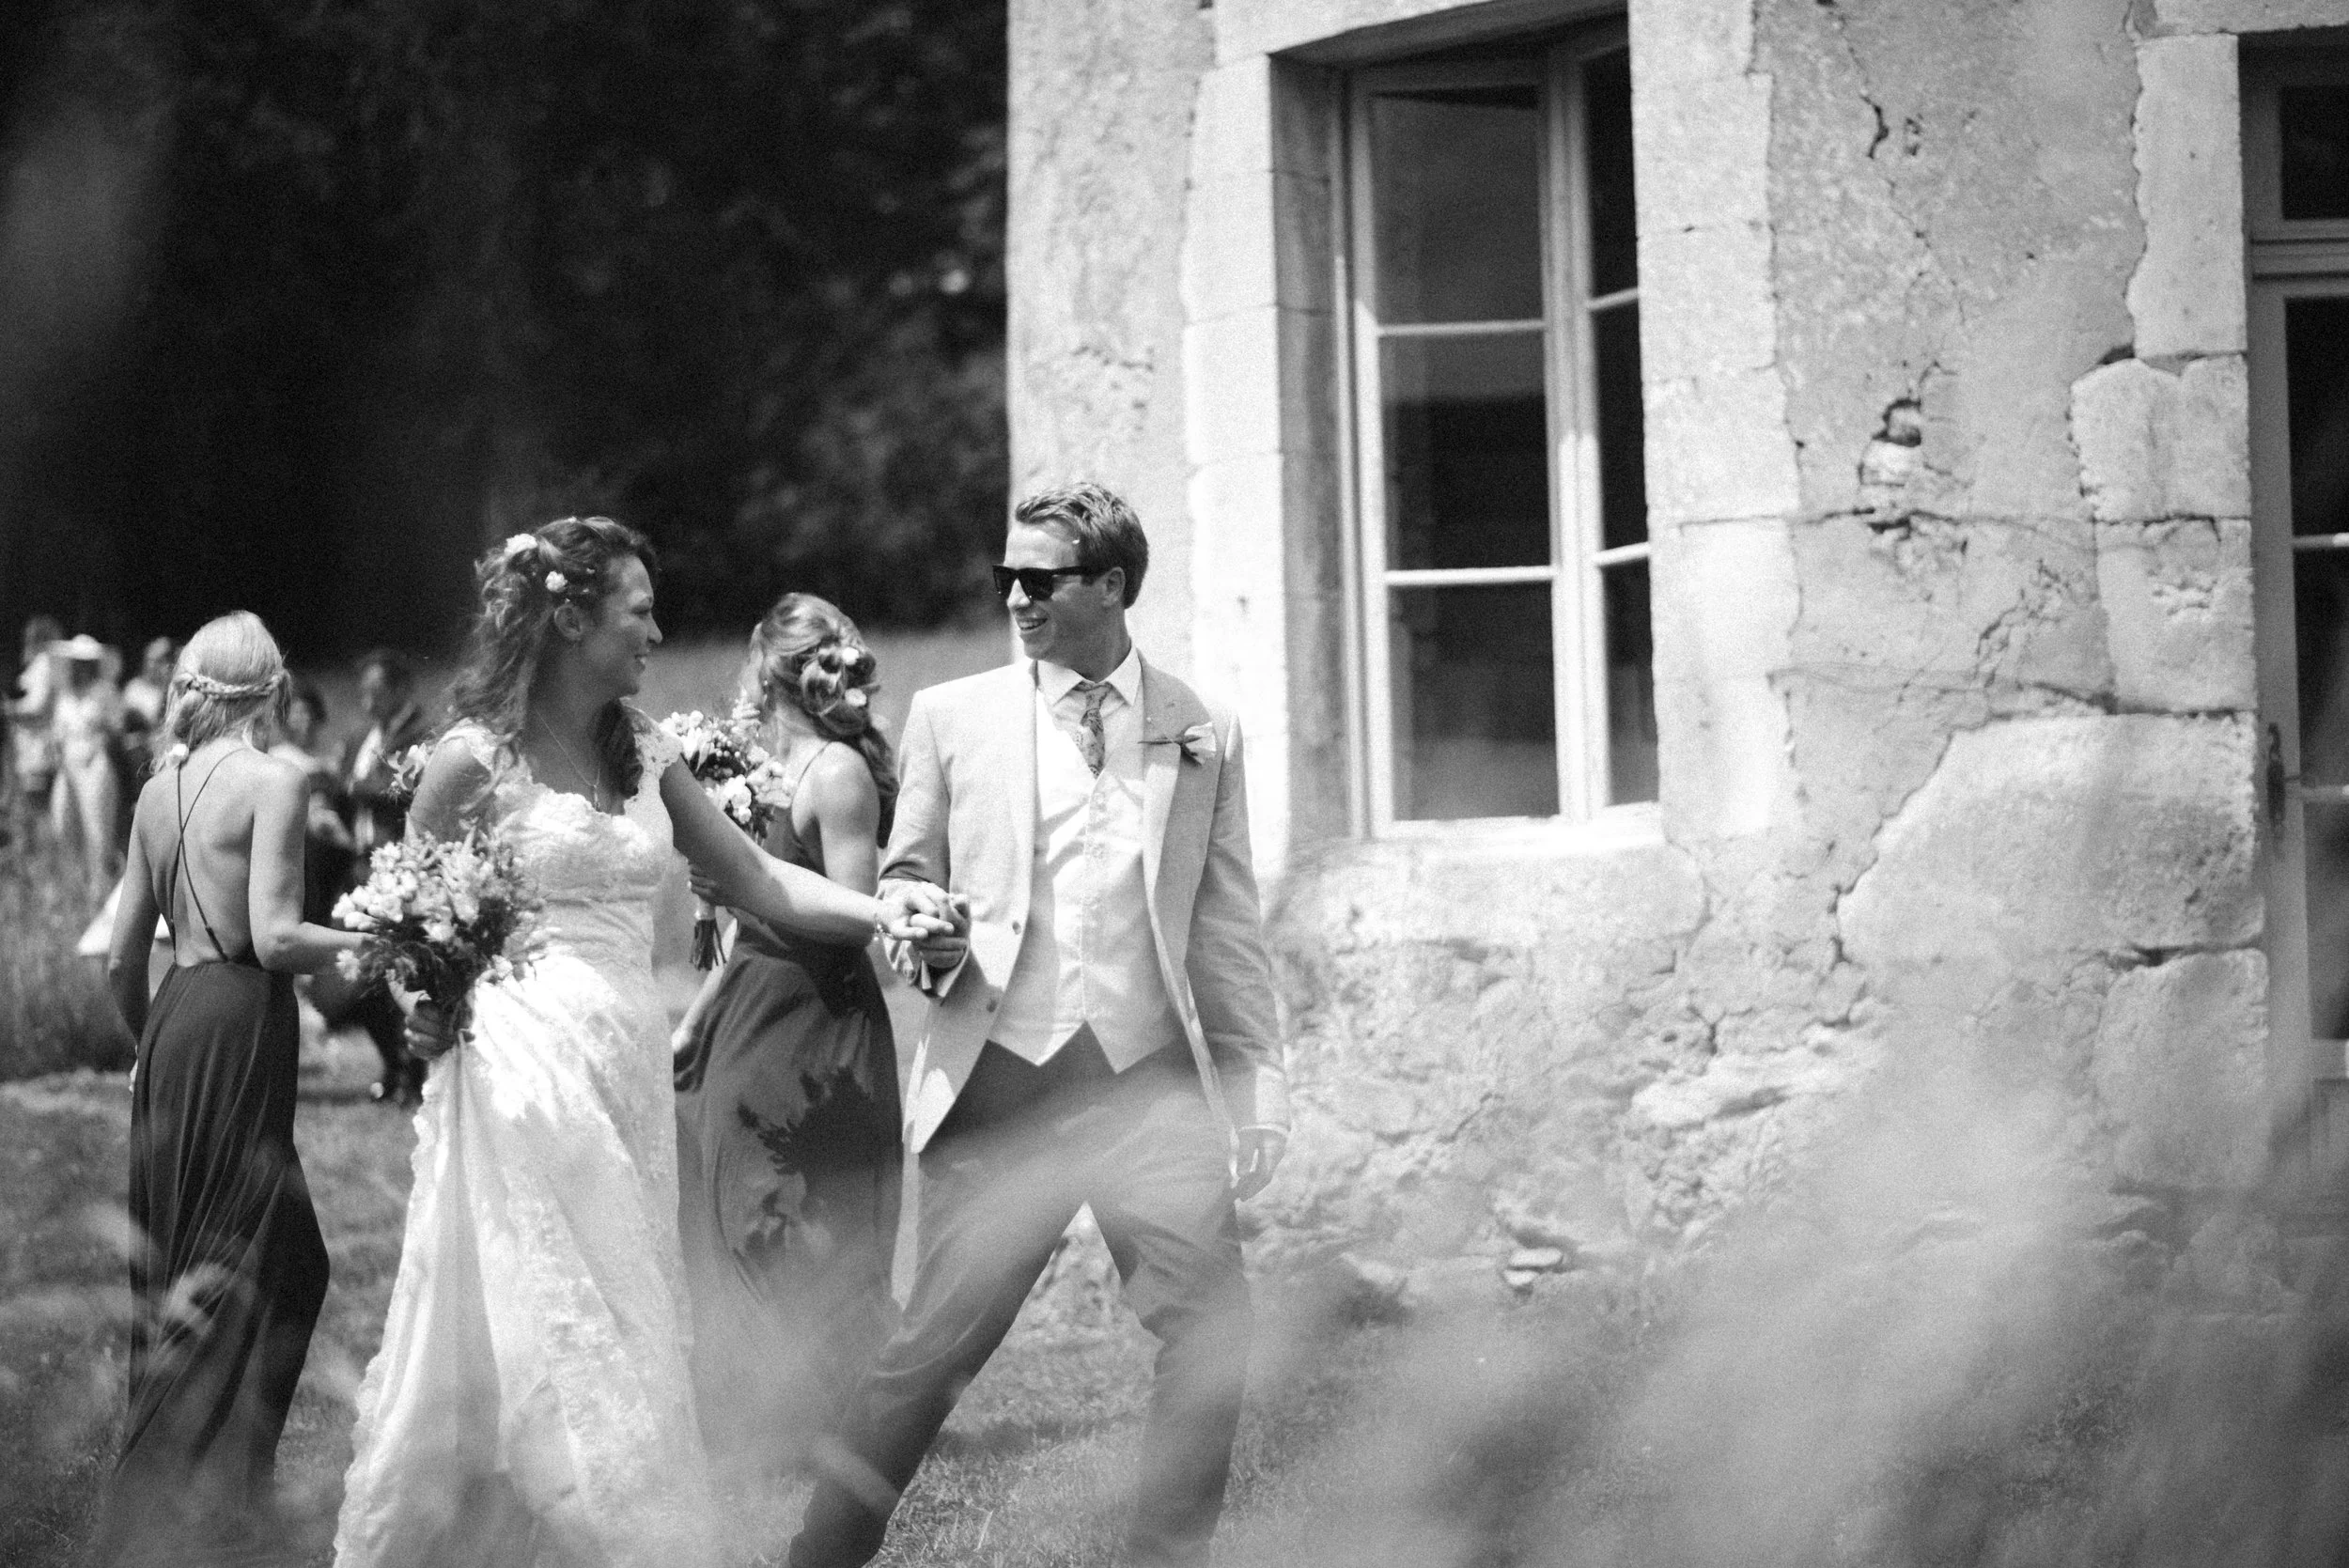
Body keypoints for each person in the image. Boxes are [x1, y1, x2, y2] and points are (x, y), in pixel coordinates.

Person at [333, 518, 955, 1568]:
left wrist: (887, 912)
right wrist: (423, 1008)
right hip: (519, 1067)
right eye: (637, 611)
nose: (658, 632)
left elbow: (760, 881)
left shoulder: (644, 749)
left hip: (625, 1063)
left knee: (627, 1300)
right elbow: (409, 921)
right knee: (555, 1315)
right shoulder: (469, 761)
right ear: (570, 617)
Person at [783, 483, 1291, 1568]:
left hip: (1148, 1082)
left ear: (1109, 585)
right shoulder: (952, 716)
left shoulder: (1200, 727)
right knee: (929, 1354)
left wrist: (1257, 1087)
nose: (1014, 595)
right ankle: (815, 1558)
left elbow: (1224, 924)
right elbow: (906, 879)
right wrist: (926, 932)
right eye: (1005, 576)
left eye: (1039, 578)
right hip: (1002, 1078)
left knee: (1214, 1331)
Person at [90, 612, 366, 1566]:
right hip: (243, 1019)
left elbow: (124, 956)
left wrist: (151, 1044)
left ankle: (224, 1493)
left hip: (175, 1023)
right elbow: (278, 935)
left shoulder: (157, 791)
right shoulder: (275, 782)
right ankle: (193, 1513)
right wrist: (378, 933)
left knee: (256, 1261)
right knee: (247, 1268)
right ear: (276, 693)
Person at [671, 593, 904, 1480]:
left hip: (817, 1015)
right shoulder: (752, 768)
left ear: (770, 672)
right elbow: (740, 916)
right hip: (747, 1009)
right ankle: (760, 1414)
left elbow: (854, 921)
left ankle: (828, 1416)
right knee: (735, 1202)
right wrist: (695, 1019)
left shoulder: (837, 774)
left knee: (802, 1210)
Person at [328, 649, 430, 1104]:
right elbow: (338, 787)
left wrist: (352, 788)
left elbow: (402, 789)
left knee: (402, 973)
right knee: (362, 974)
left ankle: (413, 1072)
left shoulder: (423, 735)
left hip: (401, 868)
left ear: (401, 689)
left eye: (377, 692)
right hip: (359, 866)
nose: (368, 702)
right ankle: (392, 1064)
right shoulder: (360, 738)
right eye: (364, 692)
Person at [51, 633, 126, 899]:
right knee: (63, 826)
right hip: (67, 764)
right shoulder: (65, 696)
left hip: (95, 761)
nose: (81, 667)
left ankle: (99, 892)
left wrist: (100, 731)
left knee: (97, 829)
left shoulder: (105, 691)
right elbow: (58, 735)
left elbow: (118, 729)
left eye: (86, 662)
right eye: (76, 662)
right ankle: (73, 891)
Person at [9, 613, 63, 830]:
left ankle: (44, 862)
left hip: (37, 748)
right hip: (36, 746)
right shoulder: (50, 663)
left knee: (39, 812)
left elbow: (37, 706)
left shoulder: (44, 662)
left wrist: (9, 709)